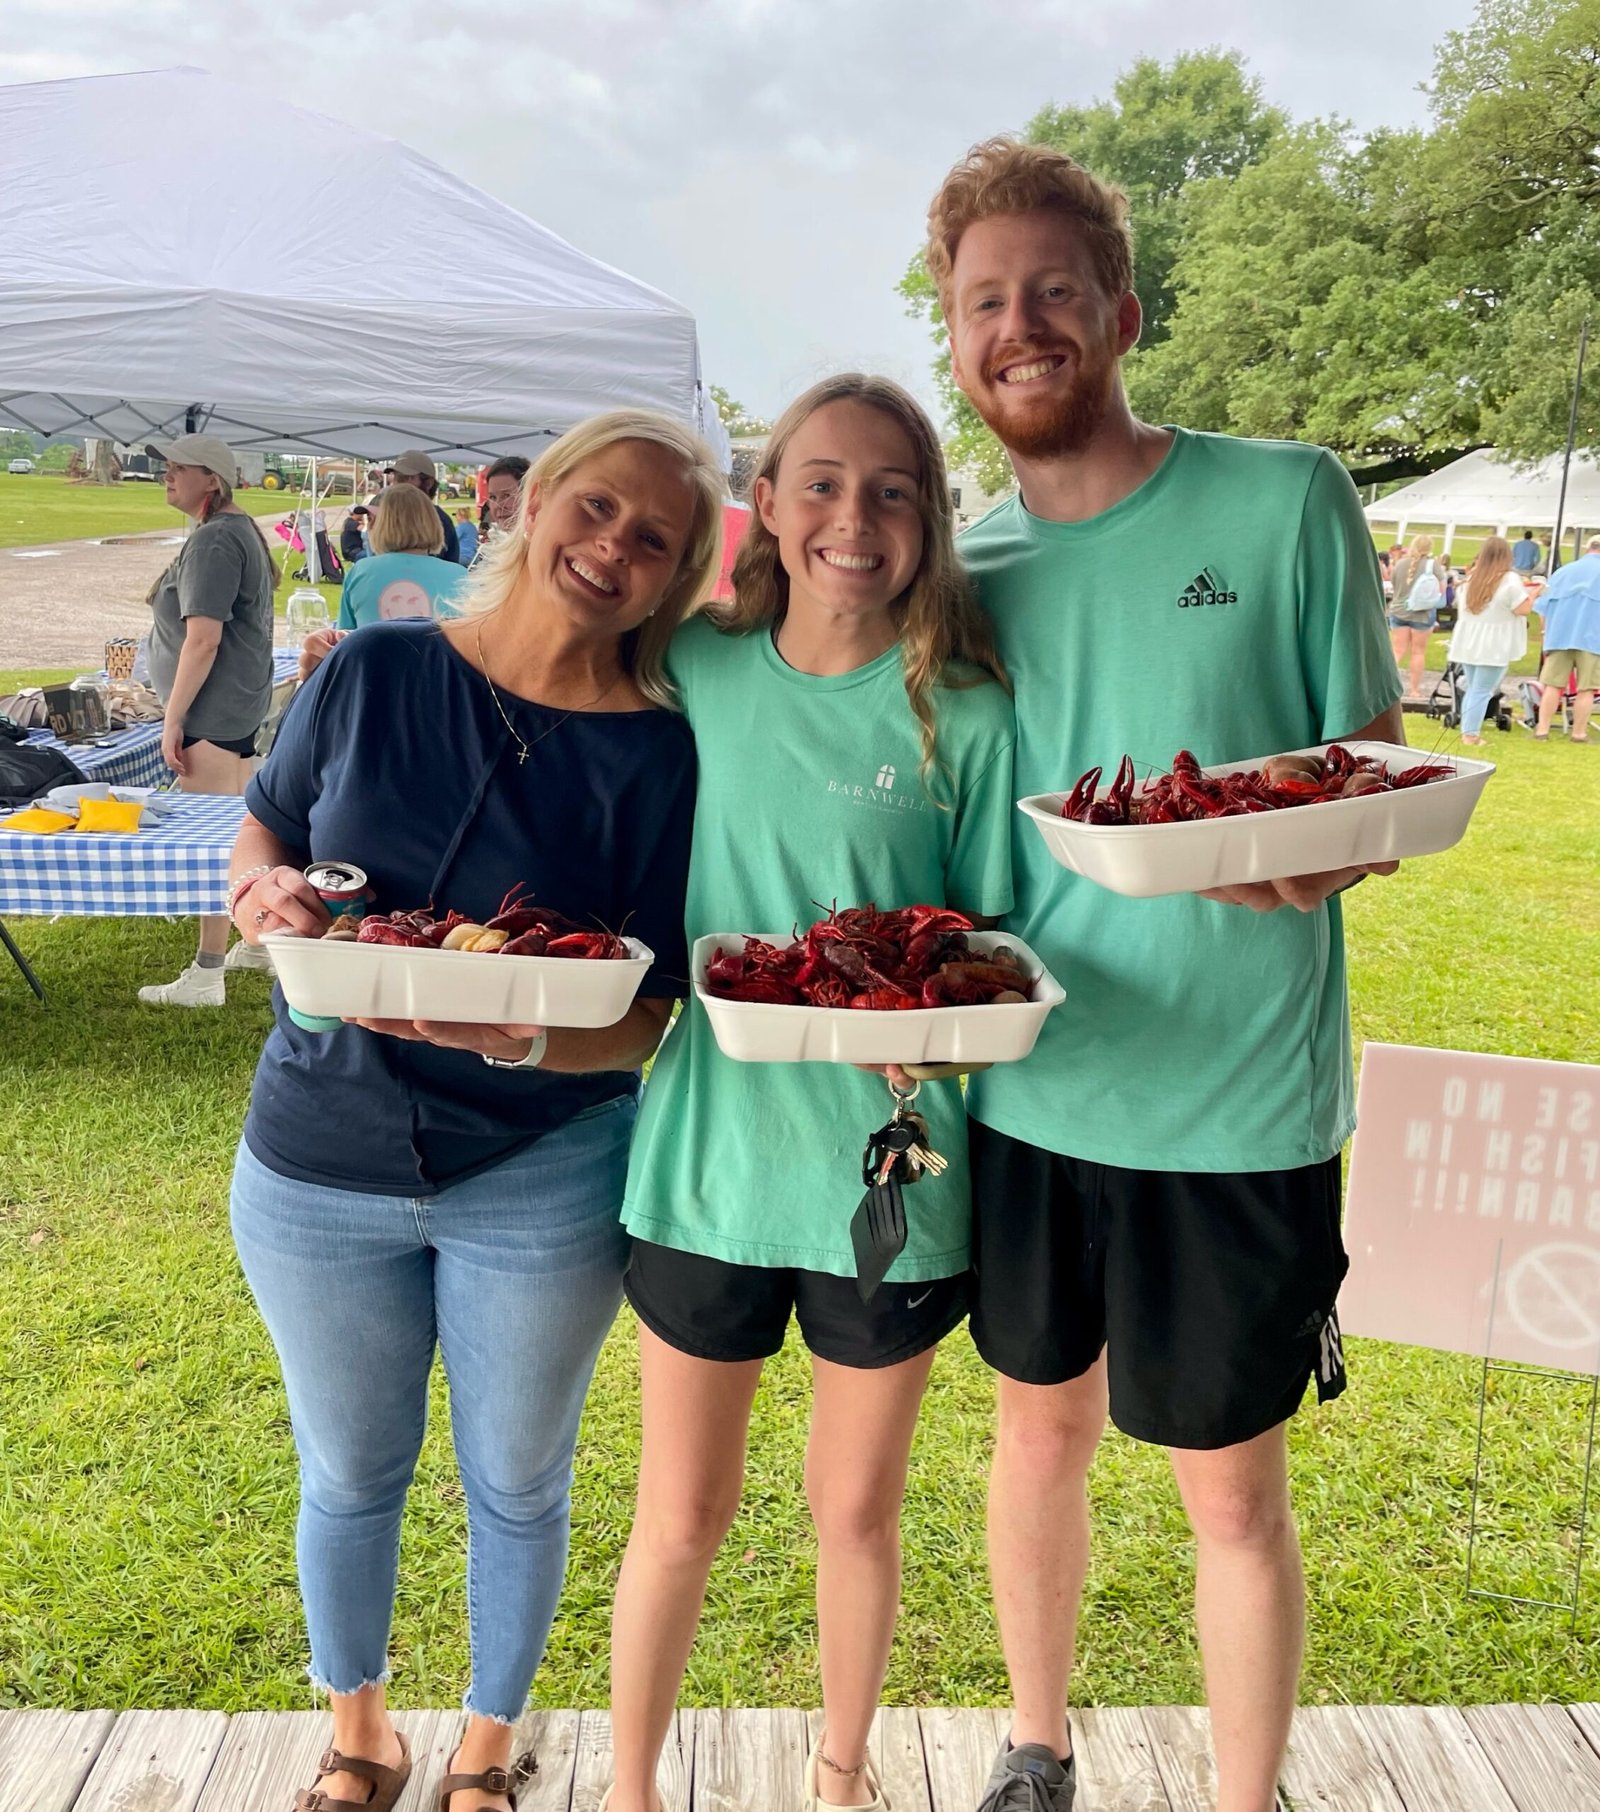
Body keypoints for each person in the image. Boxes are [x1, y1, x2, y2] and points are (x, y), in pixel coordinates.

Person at [925, 138, 1404, 1812]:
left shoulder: (1284, 497)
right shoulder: (962, 569)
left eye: (1054, 288)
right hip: (1043, 1080)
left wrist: (1325, 842)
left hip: (1240, 1094)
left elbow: (1372, 761)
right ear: (953, 334)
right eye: (985, 299)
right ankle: (1034, 1742)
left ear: (1120, 312)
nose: (1022, 323)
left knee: (1228, 1481)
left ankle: (1244, 1793)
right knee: (1034, 1427)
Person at [224, 410, 723, 1812]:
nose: (613, 546)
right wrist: (259, 895)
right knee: (349, 1469)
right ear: (541, 501)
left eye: (656, 539)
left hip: (543, 1169)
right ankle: (359, 1734)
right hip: (316, 1158)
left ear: (676, 578)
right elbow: (267, 823)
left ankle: (490, 1747)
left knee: (516, 1477)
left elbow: (648, 1007)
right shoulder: (379, 669)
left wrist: (520, 1038)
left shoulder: (662, 755)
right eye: (598, 507)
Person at [605, 375, 1014, 1812]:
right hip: (710, 1163)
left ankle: (841, 1777)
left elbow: (995, 937)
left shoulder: (961, 705)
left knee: (854, 1509)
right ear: (765, 506)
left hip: (886, 1180)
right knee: (681, 1515)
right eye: (823, 482)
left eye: (894, 489)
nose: (856, 517)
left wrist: (947, 1024)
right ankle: (634, 1789)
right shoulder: (694, 670)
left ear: (930, 523)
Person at [136, 432, 276, 1008]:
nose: (167, 476)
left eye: (178, 468)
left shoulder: (217, 539)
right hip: (234, 706)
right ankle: (256, 942)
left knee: (213, 842)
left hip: (211, 712)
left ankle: (207, 971)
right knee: (242, 831)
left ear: (211, 480)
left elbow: (202, 639)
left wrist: (172, 718)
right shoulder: (234, 529)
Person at [338, 487, 469, 627]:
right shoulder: (460, 576)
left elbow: (344, 637)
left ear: (384, 524)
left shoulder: (360, 572)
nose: (370, 527)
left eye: (372, 520)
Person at [1446, 536, 1532, 744]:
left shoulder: (1472, 578)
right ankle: (1470, 734)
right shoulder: (1509, 579)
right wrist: (1534, 595)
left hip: (1469, 640)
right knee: (1481, 689)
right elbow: (1523, 608)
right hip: (1494, 643)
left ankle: (1468, 730)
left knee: (1475, 687)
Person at [1533, 532, 1600, 742]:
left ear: (1588, 548)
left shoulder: (1563, 572)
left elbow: (1543, 606)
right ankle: (1578, 733)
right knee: (1586, 688)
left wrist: (1545, 633)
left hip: (1559, 635)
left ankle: (1542, 730)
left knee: (1553, 685)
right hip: (1592, 638)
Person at [1385, 532, 1445, 698]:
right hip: (1422, 614)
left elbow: (1394, 587)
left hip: (1398, 611)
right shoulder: (1434, 566)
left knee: (1397, 651)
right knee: (1418, 652)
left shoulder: (1400, 564)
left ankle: (1387, 686)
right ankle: (1414, 690)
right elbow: (1440, 591)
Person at [392, 449, 461, 562]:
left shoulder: (440, 521)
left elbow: (450, 566)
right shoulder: (388, 514)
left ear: (428, 483)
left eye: (404, 478)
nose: (396, 484)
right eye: (395, 477)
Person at [484, 456, 533, 537]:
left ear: (529, 495)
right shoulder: (492, 544)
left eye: (507, 495)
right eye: (493, 497)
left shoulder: (541, 543)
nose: (497, 505)